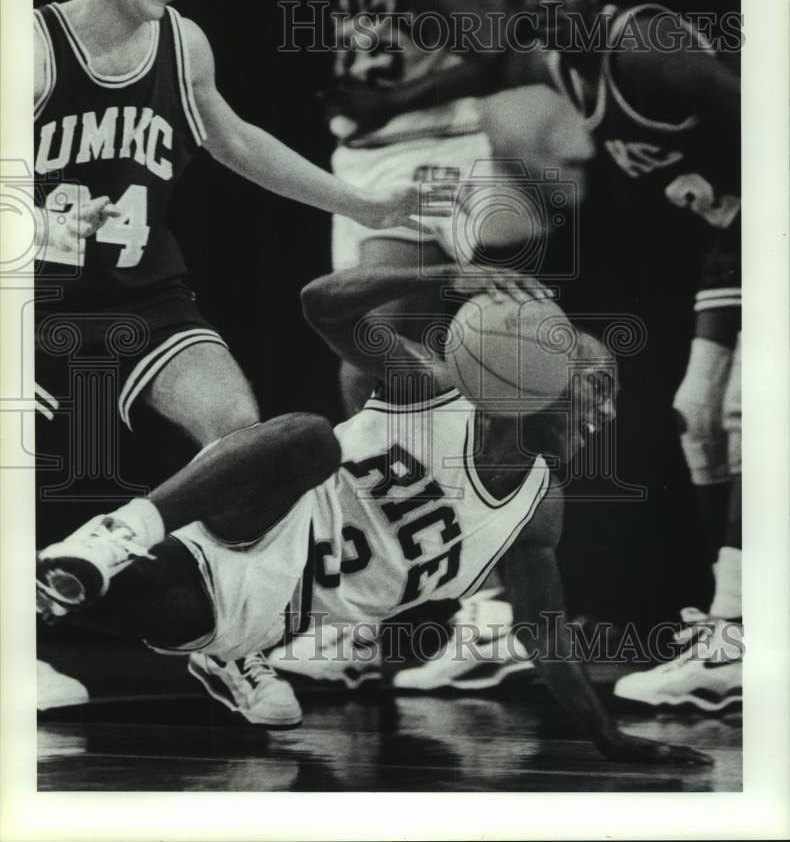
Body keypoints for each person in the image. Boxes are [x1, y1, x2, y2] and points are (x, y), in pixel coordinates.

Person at [36, 263, 711, 766]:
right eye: (598, 387)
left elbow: (543, 630)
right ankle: (116, 536)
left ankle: (227, 658)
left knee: (43, 595)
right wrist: (449, 276)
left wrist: (608, 737)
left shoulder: (537, 510)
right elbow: (319, 303)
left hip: (263, 612)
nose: (610, 410)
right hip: (248, 525)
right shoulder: (432, 391)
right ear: (536, 378)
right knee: (308, 437)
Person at [34, 0, 430, 704]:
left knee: (241, 440)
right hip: (29, 303)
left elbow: (236, 141)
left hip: (143, 299)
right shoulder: (33, 47)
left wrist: (359, 198)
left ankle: (227, 638)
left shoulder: (184, 44)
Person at [183, 0, 515, 413]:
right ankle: (422, 480)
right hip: (360, 156)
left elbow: (487, 41)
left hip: (436, 146)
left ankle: (397, 479)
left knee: (370, 346)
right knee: (388, 363)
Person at [515, 0, 742, 710]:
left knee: (744, 415)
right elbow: (477, 59)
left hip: (760, 222)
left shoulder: (642, 48)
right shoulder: (560, 70)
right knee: (697, 416)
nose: (548, 3)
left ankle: (740, 630)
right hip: (731, 235)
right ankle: (733, 627)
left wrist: (722, 180)